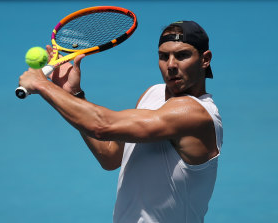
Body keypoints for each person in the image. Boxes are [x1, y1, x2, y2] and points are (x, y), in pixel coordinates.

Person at [18, 20, 223, 223]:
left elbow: (102, 126)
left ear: (205, 60)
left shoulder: (193, 113)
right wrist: (72, 94)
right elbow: (110, 156)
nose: (170, 65)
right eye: (163, 56)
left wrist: (42, 85)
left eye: (182, 55)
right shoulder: (152, 94)